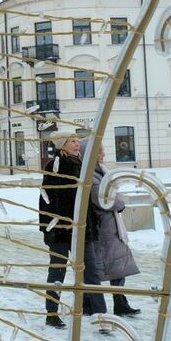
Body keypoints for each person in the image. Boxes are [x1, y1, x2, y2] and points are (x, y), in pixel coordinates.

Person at [80, 142, 140, 322]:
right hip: (103, 227)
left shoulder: (99, 171)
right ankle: (96, 303)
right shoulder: (91, 175)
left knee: (115, 265)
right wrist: (120, 203)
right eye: (100, 153)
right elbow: (103, 198)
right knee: (99, 267)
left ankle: (117, 301)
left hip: (110, 226)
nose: (103, 156)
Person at [39, 135, 81, 329]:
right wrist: (49, 226)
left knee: (85, 268)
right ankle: (52, 312)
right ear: (62, 145)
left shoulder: (79, 163)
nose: (76, 143)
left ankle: (87, 307)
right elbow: (46, 197)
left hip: (79, 227)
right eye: (72, 140)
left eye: (77, 140)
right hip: (60, 229)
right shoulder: (55, 165)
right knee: (58, 269)